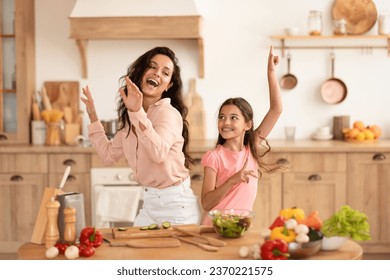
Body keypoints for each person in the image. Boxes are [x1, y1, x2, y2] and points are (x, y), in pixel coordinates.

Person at [81, 46, 201, 226]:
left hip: (176, 206)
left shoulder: (167, 114)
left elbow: (158, 153)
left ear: (168, 85)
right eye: (152, 66)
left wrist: (136, 112)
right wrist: (92, 115)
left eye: (165, 72)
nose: (157, 73)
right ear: (142, 72)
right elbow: (108, 156)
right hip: (150, 203)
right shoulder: (131, 117)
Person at [200, 46, 283, 225]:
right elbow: (206, 203)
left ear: (248, 124)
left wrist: (270, 72)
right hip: (215, 228)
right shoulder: (214, 157)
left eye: (233, 118)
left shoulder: (250, 148)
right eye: (222, 117)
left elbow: (276, 109)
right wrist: (233, 180)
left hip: (239, 227)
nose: (226, 122)